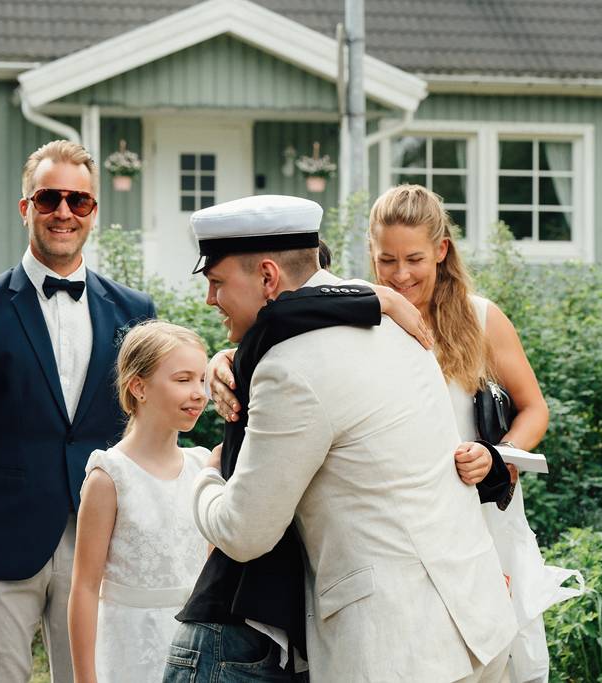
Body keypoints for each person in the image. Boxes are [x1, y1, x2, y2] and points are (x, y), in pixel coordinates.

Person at [167, 195, 517, 683]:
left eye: (217, 282)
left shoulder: (290, 368)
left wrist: (205, 476)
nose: (210, 299)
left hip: (397, 651)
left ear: (267, 277)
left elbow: (245, 534)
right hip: (478, 618)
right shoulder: (391, 319)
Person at [0, 140, 155, 683]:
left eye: (79, 200)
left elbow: (150, 415)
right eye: (50, 199)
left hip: (98, 540)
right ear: (26, 207)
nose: (64, 212)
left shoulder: (134, 310)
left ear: (93, 211)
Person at [368, 184, 555, 681]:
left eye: (414, 259)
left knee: (492, 658)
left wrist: (498, 454)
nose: (400, 275)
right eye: (387, 260)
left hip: (480, 520)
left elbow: (535, 409)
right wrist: (227, 359)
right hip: (399, 531)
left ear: (441, 250)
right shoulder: (361, 324)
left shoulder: (481, 318)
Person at [68, 321, 212, 683]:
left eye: (202, 379)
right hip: (130, 648)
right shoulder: (110, 476)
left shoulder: (203, 467)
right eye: (183, 380)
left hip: (195, 647)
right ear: (139, 387)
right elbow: (85, 586)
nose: (199, 393)